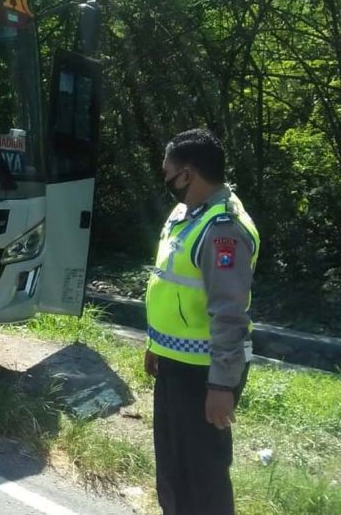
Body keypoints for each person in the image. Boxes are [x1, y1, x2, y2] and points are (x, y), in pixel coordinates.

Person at [145, 128, 260, 515]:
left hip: (205, 374)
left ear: (189, 174)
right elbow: (170, 285)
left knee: (204, 478)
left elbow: (229, 313)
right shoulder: (187, 213)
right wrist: (155, 344)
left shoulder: (222, 229)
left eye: (169, 174)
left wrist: (222, 385)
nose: (166, 181)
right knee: (173, 467)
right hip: (176, 365)